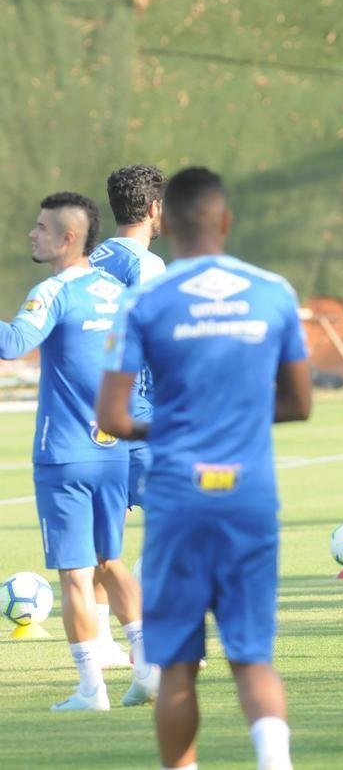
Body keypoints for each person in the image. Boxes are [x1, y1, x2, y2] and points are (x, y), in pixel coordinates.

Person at [97, 167, 311, 770]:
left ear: (168, 221)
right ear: (225, 220)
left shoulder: (143, 299)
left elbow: (113, 415)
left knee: (179, 667)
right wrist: (235, 416)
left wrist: (172, 426)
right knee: (252, 658)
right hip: (247, 492)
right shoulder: (272, 290)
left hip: (178, 496)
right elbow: (299, 403)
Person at [0, 192, 157, 710]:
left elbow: (13, 343)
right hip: (112, 451)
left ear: (68, 237)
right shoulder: (117, 290)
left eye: (42, 227)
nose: (32, 233)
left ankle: (92, 689)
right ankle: (149, 667)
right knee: (111, 562)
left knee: (74, 574)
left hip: (63, 454)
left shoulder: (54, 291)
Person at [88, 163, 168, 668]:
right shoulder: (148, 266)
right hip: (135, 405)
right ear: (155, 207)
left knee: (106, 527)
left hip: (88, 406)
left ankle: (98, 641)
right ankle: (155, 633)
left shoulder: (89, 258)